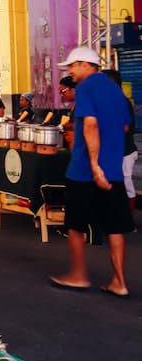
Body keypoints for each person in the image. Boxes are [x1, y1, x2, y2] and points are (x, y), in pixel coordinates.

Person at [50, 47, 133, 298]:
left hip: (85, 171)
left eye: (73, 66)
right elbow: (125, 127)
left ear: (87, 65)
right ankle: (119, 281)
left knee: (75, 225)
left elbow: (90, 124)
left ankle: (78, 275)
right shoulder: (116, 90)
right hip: (114, 171)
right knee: (115, 228)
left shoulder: (86, 87)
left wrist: (95, 165)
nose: (70, 72)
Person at [102, 70, 137, 205]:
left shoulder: (121, 102)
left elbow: (124, 128)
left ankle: (129, 224)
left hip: (124, 153)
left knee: (126, 187)